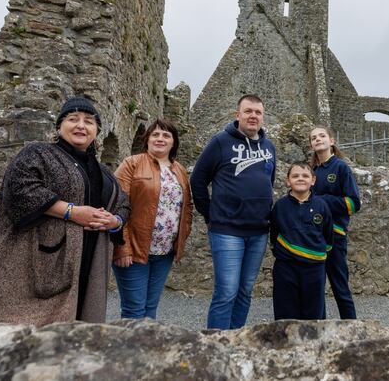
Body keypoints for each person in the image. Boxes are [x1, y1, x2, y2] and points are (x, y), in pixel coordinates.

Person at [0, 96, 130, 325]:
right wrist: (71, 212)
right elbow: (20, 189)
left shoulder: (103, 171)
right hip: (41, 262)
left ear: (97, 130)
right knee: (28, 333)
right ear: (59, 126)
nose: (81, 125)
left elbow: (123, 203)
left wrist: (114, 221)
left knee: (76, 332)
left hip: (89, 261)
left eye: (89, 121)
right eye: (72, 119)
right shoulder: (38, 154)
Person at [190, 94, 276, 329]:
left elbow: (269, 181)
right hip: (226, 231)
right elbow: (197, 180)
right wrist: (210, 214)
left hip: (259, 231)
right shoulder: (220, 142)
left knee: (245, 291)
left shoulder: (269, 147)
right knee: (226, 292)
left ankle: (236, 341)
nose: (253, 116)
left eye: (258, 112)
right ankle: (216, 344)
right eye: (248, 111)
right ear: (237, 115)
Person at [112, 119, 193, 319]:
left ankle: (146, 350)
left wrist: (180, 239)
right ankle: (129, 351)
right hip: (135, 250)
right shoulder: (132, 164)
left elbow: (187, 207)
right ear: (147, 139)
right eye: (155, 134)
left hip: (164, 252)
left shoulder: (179, 170)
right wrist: (122, 247)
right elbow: (116, 204)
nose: (160, 138)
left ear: (173, 142)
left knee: (150, 310)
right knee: (134, 311)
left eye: (166, 135)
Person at [270, 161, 333, 320]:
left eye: (305, 176)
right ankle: (286, 345)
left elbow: (328, 235)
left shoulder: (322, 206)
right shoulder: (280, 206)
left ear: (313, 180)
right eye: (295, 175)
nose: (300, 179)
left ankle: (313, 344)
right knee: (286, 311)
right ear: (287, 180)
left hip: (314, 268)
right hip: (286, 267)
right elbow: (274, 233)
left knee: (313, 313)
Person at [309, 125, 361, 319]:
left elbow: (354, 203)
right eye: (314, 138)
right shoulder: (312, 171)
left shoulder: (340, 167)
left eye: (322, 136)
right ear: (311, 144)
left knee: (340, 287)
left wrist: (322, 201)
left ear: (331, 141)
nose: (318, 139)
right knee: (316, 288)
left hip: (335, 236)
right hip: (314, 237)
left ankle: (352, 328)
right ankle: (318, 330)